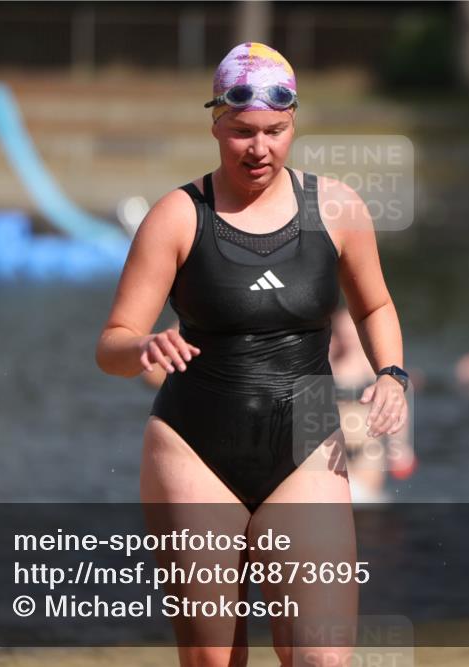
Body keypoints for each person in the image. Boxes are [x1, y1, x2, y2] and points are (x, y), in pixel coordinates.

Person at [95, 43, 408, 667]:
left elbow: (375, 307)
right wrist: (144, 343)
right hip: (193, 446)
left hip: (308, 441)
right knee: (216, 661)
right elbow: (112, 344)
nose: (258, 147)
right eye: (241, 132)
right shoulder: (179, 216)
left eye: (274, 131)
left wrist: (392, 374)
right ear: (216, 123)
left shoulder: (337, 208)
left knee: (322, 658)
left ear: (293, 124)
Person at [329, 308, 416, 503]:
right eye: (343, 333)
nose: (348, 338)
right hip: (333, 446)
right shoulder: (328, 363)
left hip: (367, 446)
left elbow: (397, 401)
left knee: (366, 502)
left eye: (352, 333)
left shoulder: (373, 366)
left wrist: (400, 445)